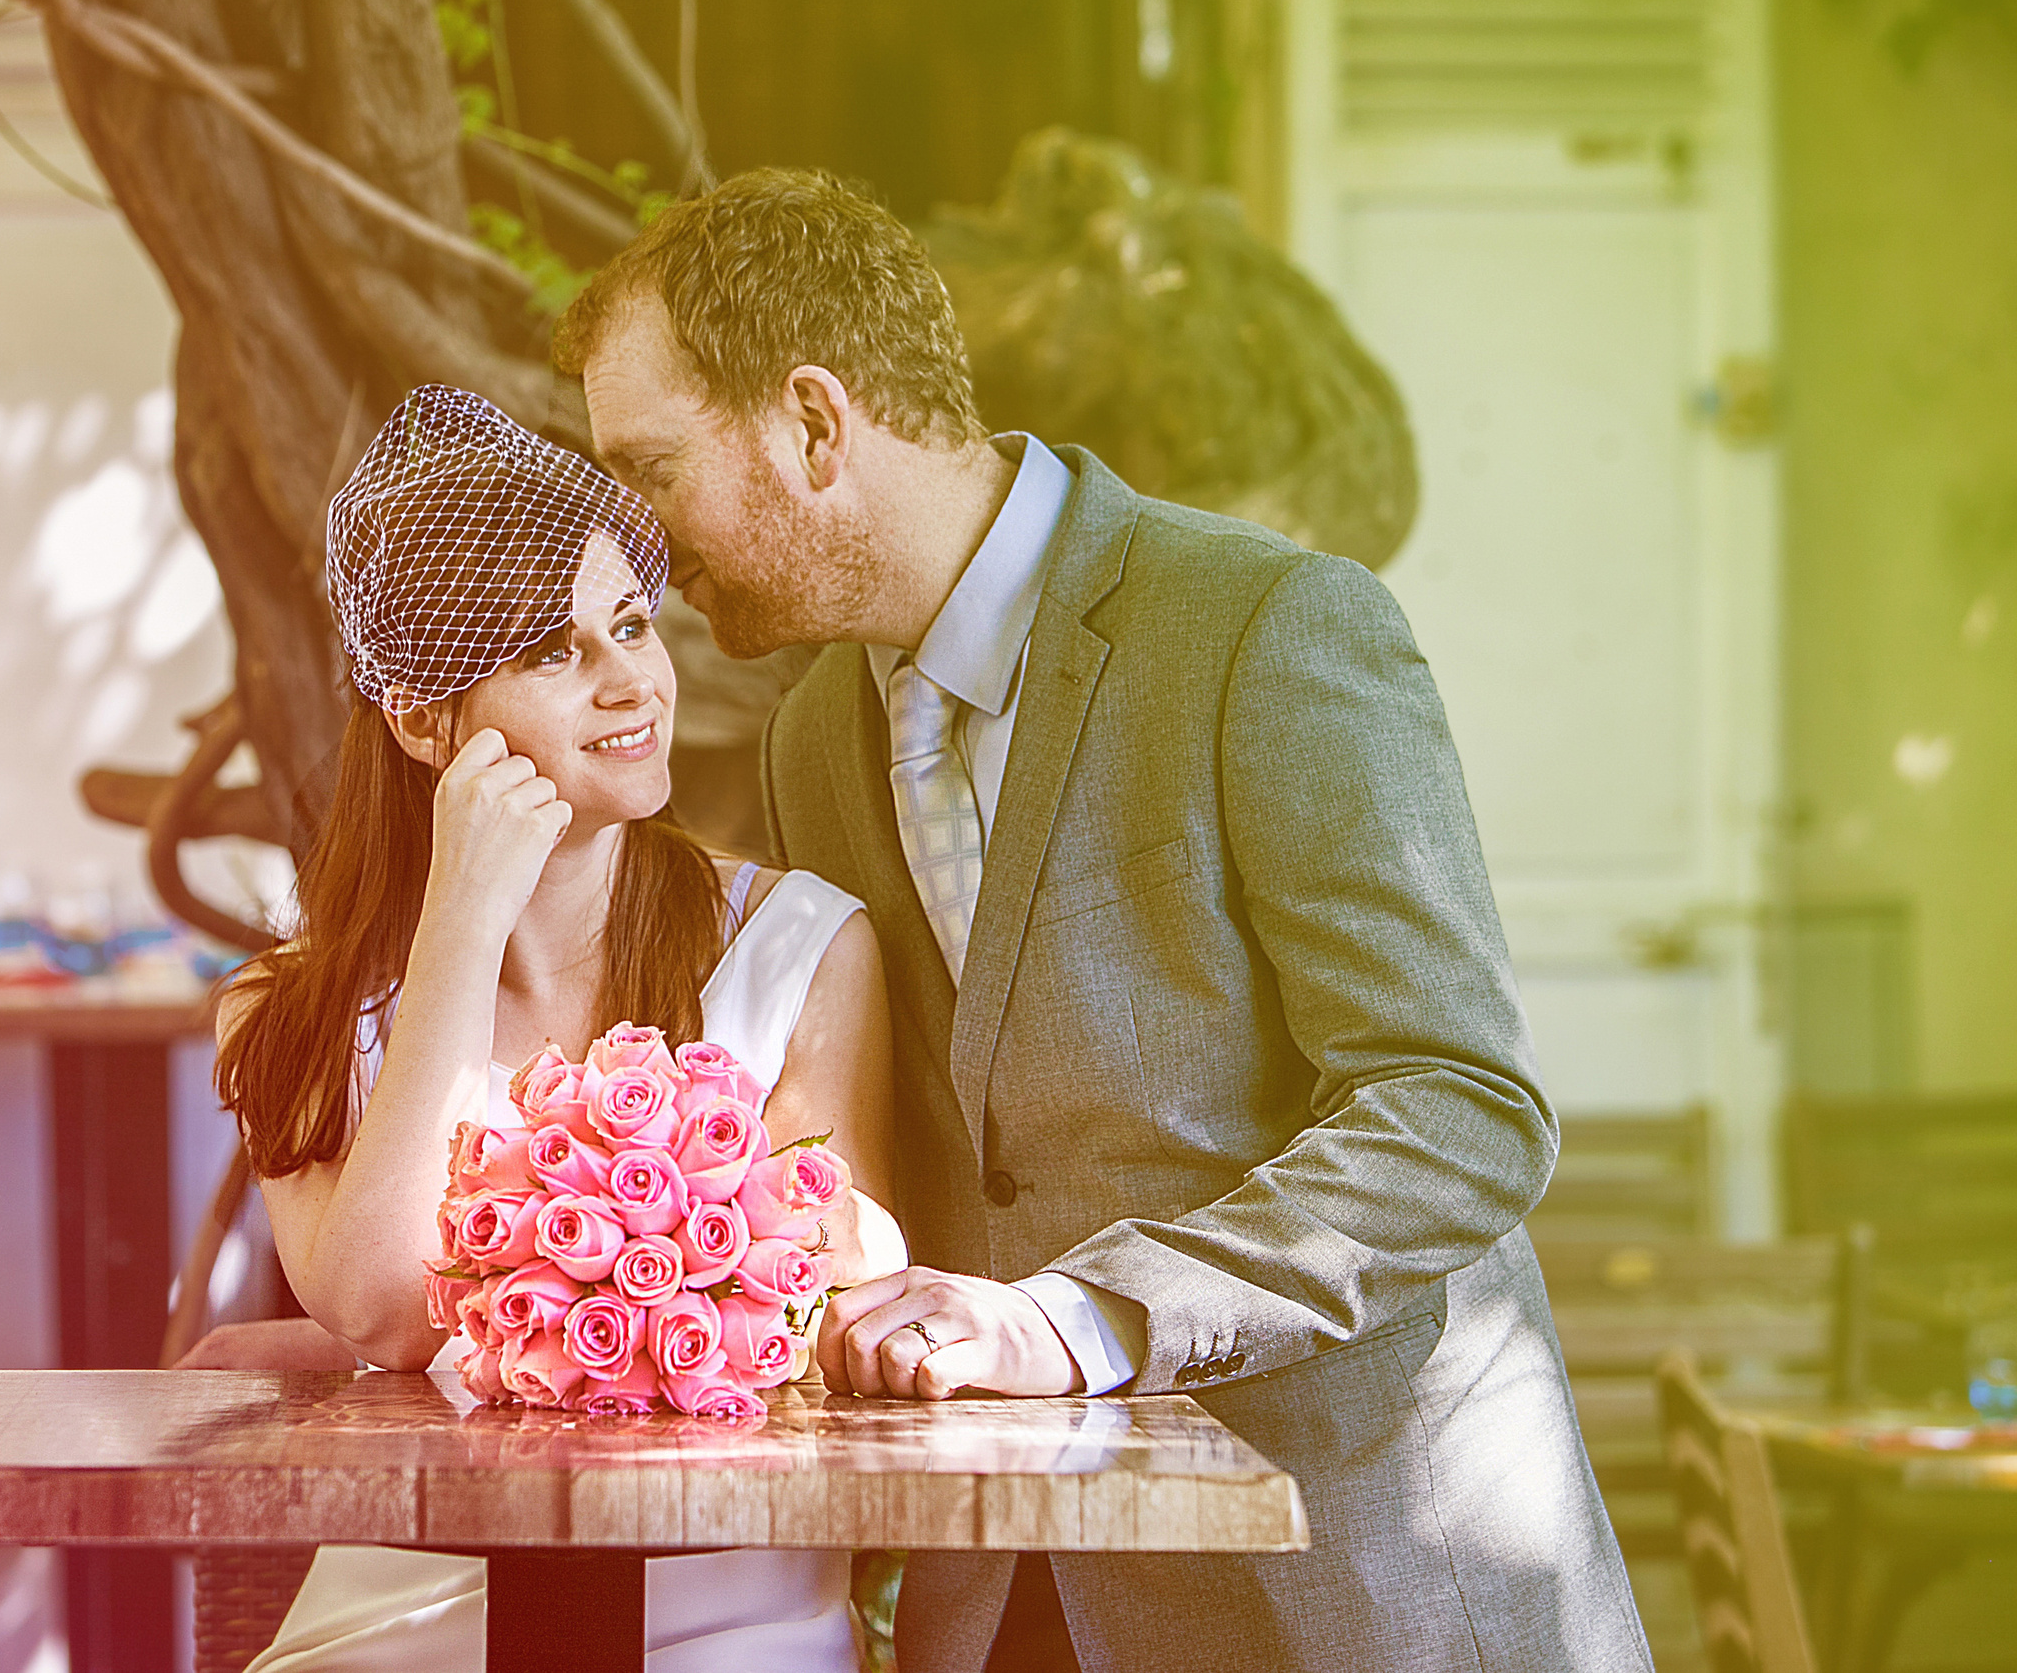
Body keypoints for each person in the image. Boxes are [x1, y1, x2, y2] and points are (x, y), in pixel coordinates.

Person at [554, 171, 1654, 1673]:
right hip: (1020, 1594)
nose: (636, 534)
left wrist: (1089, 1319)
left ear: (813, 425)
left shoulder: (1273, 630)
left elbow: (1459, 1109)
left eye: (654, 468)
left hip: (1351, 1578)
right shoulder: (815, 736)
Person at [212, 383, 905, 1673]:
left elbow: (812, 1317)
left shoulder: (804, 950)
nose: (630, 682)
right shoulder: (288, 1009)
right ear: (426, 720)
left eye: (631, 624)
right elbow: (380, 1312)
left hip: (735, 1604)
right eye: (550, 651)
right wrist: (462, 924)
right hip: (411, 1608)